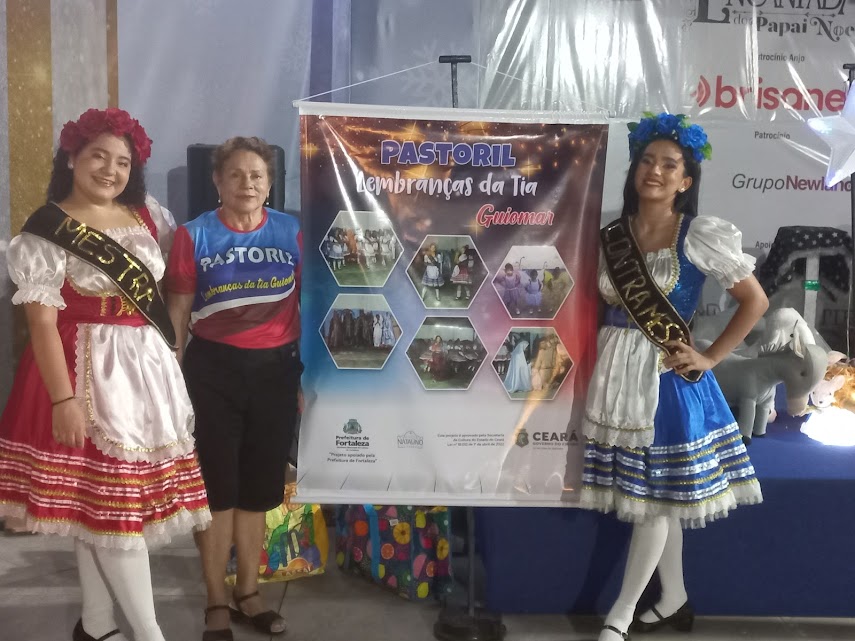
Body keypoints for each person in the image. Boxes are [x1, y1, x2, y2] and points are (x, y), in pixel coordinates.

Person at [0, 108, 211, 641]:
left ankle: (96, 625)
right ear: (72, 157)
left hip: (145, 373)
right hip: (88, 375)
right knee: (115, 516)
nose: (110, 170)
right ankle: (150, 635)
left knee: (95, 509)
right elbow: (41, 325)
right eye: (98, 156)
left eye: (122, 161)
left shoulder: (146, 216)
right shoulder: (46, 230)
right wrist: (62, 399)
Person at [581, 113, 768, 641]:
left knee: (654, 502)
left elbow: (755, 301)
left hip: (665, 379)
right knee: (659, 499)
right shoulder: (611, 235)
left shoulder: (698, 235)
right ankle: (675, 598)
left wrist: (711, 358)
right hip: (617, 374)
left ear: (686, 180)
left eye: (669, 165)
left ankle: (620, 616)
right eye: (647, 160)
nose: (655, 171)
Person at [166, 136, 302, 640]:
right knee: (218, 493)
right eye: (236, 175)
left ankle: (249, 593)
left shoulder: (292, 232)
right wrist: (173, 381)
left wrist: (307, 377)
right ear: (217, 181)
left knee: (258, 492)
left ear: (269, 184)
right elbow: (178, 312)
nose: (247, 183)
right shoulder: (193, 236)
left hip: (276, 374)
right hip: (212, 375)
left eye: (257, 175)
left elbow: (310, 307)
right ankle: (215, 602)